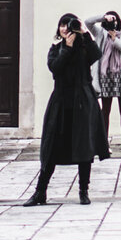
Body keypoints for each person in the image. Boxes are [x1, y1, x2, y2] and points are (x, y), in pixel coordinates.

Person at [22, 14, 109, 206]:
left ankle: (83, 191)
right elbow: (55, 68)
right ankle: (40, 192)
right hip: (61, 102)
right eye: (62, 25)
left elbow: (96, 55)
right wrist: (67, 49)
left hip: (83, 102)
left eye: (69, 25)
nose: (65, 28)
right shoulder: (56, 49)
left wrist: (85, 33)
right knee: (51, 146)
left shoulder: (85, 48)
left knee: (83, 146)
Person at [84, 9, 121, 152]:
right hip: (105, 75)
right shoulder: (100, 33)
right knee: (105, 111)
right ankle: (104, 145)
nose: (112, 23)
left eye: (114, 20)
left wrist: (115, 39)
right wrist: (102, 17)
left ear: (118, 21)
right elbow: (87, 22)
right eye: (109, 21)